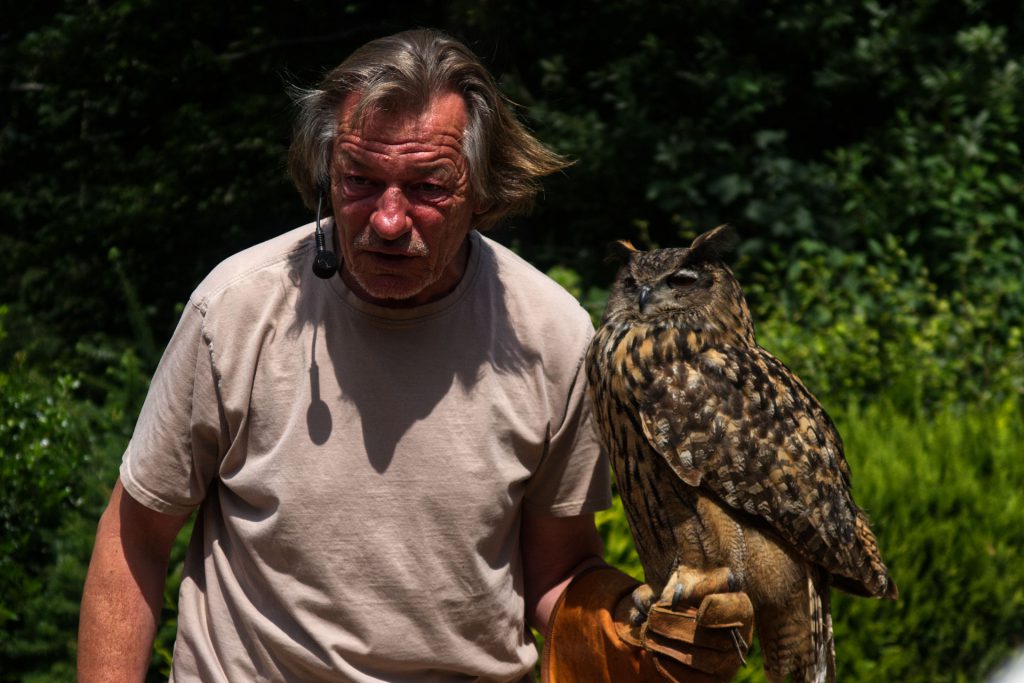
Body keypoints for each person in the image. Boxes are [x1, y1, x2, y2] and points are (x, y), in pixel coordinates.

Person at [77, 28, 751, 682]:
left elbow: (557, 569)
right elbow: (135, 534)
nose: (388, 220)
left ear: (484, 192)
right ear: (324, 174)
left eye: (429, 187)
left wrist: (631, 625)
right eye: (359, 179)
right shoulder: (236, 309)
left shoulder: (551, 336)